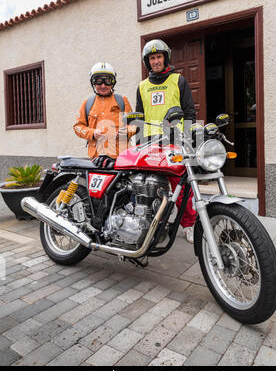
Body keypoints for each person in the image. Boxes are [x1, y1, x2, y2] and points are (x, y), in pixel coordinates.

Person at [136, 39, 196, 243]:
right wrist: (138, 144)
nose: (155, 61)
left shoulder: (178, 81)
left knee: (181, 190)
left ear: (165, 58)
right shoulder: (142, 86)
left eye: (158, 57)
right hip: (150, 144)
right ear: (148, 62)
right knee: (152, 188)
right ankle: (154, 225)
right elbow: (139, 116)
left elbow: (189, 111)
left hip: (174, 142)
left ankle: (188, 225)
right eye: (152, 58)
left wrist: (187, 139)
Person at [74, 62, 135, 159]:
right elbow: (78, 127)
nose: (103, 85)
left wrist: (126, 132)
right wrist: (92, 133)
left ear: (113, 82)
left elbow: (134, 124)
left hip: (120, 157)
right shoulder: (88, 103)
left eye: (107, 81)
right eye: (98, 81)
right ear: (93, 83)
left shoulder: (122, 101)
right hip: (96, 157)